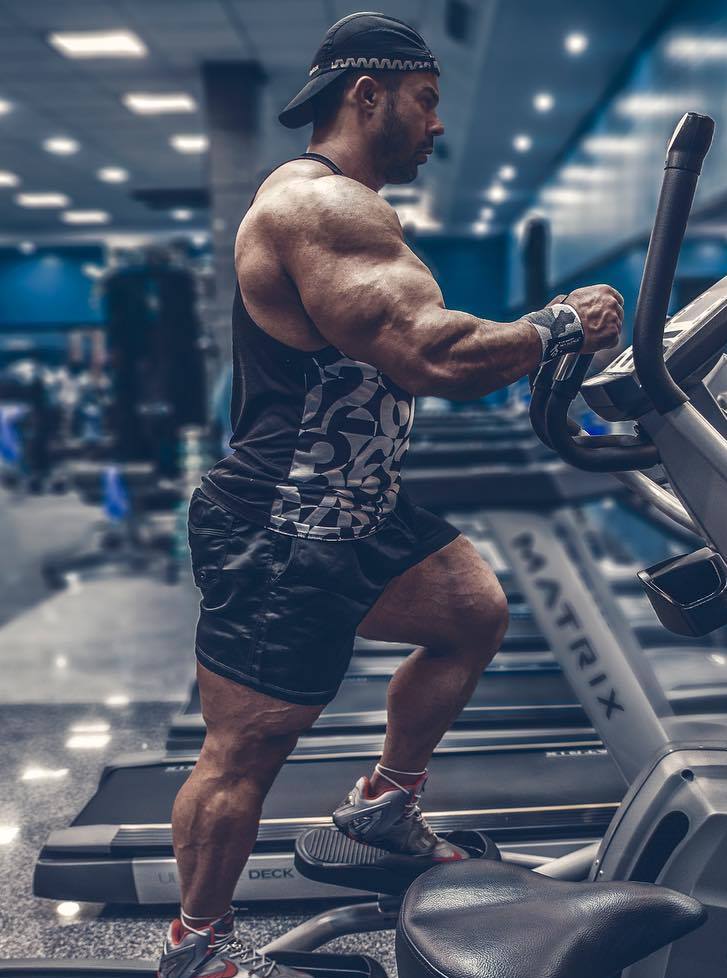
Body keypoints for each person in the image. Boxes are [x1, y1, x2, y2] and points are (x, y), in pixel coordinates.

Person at [158, 11, 623, 978]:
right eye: (427, 100)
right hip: (280, 526)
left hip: (360, 507)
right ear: (365, 94)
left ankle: (382, 804)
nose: (436, 124)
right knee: (244, 754)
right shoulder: (315, 209)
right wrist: (557, 325)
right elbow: (424, 355)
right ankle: (196, 951)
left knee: (470, 613)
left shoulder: (357, 207)